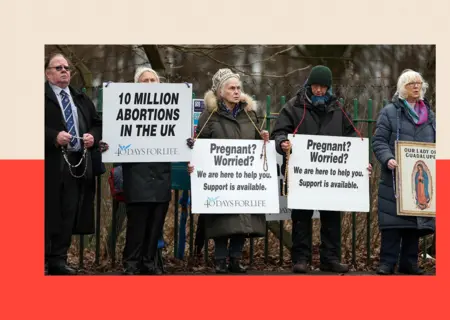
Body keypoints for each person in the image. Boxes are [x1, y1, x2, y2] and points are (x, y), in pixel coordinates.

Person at [271, 65, 372, 274]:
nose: (319, 91)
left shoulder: (338, 109)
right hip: (303, 175)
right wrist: (282, 143)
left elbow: (353, 136)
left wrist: (359, 158)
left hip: (331, 176)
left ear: (329, 88)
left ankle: (330, 259)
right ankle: (300, 259)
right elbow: (279, 132)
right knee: (301, 217)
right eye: (316, 86)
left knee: (332, 217)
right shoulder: (294, 107)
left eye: (323, 87)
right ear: (309, 85)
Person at [187, 68, 269, 274]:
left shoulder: (250, 114)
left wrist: (264, 138)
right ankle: (220, 259)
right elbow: (201, 143)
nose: (236, 91)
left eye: (238, 88)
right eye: (231, 88)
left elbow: (258, 145)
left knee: (242, 214)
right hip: (220, 176)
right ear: (220, 91)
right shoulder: (210, 115)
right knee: (222, 216)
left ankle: (235, 258)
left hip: (244, 177)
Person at [372, 69, 435, 275]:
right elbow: (379, 141)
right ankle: (387, 263)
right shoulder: (390, 112)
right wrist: (388, 158)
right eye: (411, 84)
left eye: (419, 83)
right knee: (392, 223)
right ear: (402, 89)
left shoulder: (431, 116)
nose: (416, 87)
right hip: (394, 176)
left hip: (421, 176)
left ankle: (409, 263)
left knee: (414, 223)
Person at [44, 53, 102, 275]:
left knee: (68, 213)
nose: (64, 70)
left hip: (76, 165)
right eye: (58, 67)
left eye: (66, 67)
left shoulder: (79, 97)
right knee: (46, 213)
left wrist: (92, 137)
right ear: (48, 73)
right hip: (48, 164)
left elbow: (98, 123)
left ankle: (58, 260)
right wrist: (52, 136)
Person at [121, 66, 172, 275]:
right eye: (145, 81)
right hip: (137, 173)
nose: (150, 84)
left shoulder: (170, 109)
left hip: (160, 174)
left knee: (156, 223)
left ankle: (149, 263)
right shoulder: (125, 108)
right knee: (137, 223)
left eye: (153, 80)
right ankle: (131, 264)